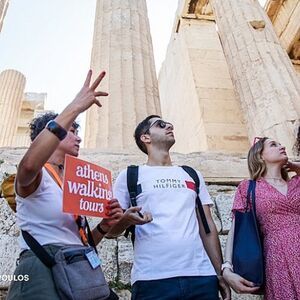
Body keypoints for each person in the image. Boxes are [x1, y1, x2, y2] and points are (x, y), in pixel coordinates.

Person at [7, 70, 123, 300]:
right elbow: (28, 167)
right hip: (39, 272)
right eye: (72, 131)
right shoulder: (38, 175)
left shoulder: (73, 183)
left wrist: (104, 226)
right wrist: (75, 107)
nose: (78, 138)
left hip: (75, 268)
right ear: (48, 135)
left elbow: (79, 242)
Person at [111, 115, 231, 300]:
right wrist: (126, 221)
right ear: (145, 137)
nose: (169, 126)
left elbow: (207, 227)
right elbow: (111, 231)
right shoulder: (130, 175)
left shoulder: (191, 174)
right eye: (160, 124)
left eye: (169, 124)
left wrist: (219, 272)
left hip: (201, 276)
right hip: (151, 279)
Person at [222, 137, 300, 300]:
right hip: (278, 258)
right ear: (259, 156)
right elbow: (237, 229)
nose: (282, 146)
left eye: (280, 143)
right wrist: (227, 268)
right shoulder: (248, 187)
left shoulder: (297, 182)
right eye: (273, 145)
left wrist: (294, 166)